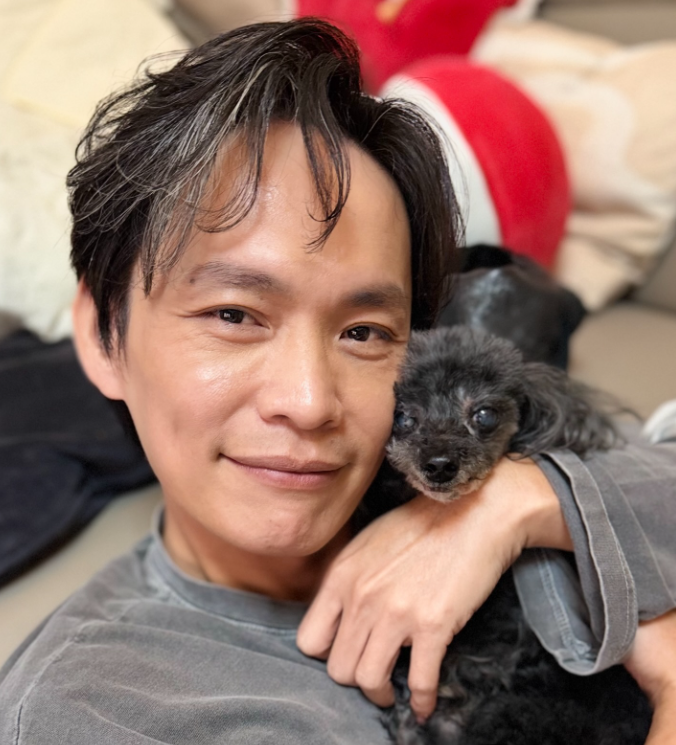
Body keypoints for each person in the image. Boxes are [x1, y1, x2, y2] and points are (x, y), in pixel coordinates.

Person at [0, 18, 675, 744]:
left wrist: (516, 505)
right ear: (105, 334)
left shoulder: (469, 477)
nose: (309, 401)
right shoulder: (91, 710)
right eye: (234, 314)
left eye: (364, 332)